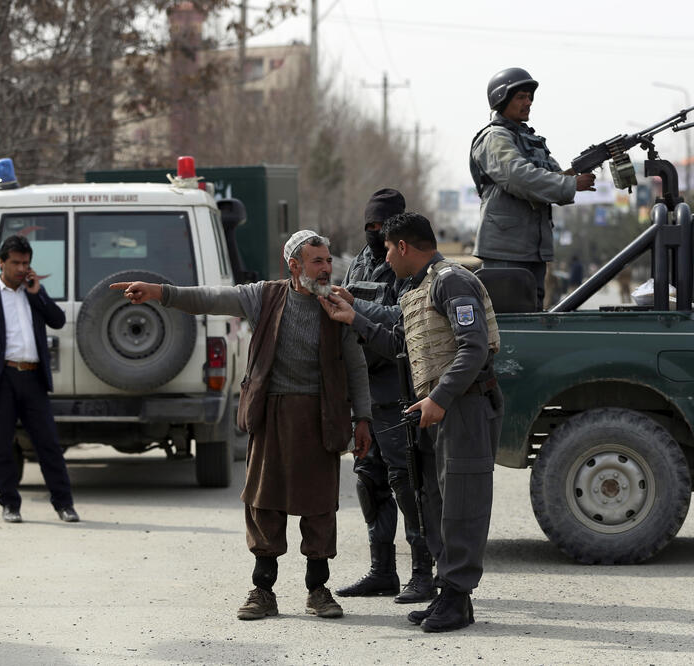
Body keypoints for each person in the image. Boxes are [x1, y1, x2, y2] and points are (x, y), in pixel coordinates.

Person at [110, 230, 373, 621]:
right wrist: (160, 292)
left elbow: (355, 364)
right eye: (317, 261)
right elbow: (210, 298)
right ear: (294, 265)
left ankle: (318, 590)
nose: (326, 268)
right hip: (270, 416)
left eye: (328, 260)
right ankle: (263, 591)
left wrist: (363, 418)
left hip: (322, 417)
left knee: (319, 506)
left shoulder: (336, 304)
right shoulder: (264, 296)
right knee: (262, 502)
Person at [319, 212, 503, 633]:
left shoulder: (450, 281)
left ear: (403, 247)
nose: (385, 255)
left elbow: (473, 349)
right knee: (434, 500)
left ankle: (457, 597)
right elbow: (401, 345)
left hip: (464, 406)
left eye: (387, 247)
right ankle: (448, 593)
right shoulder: (417, 290)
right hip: (439, 409)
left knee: (462, 504)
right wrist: (356, 320)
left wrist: (438, 398)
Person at [334, 189, 436, 604]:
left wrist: (356, 309)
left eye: (382, 227)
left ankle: (422, 573)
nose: (375, 234)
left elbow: (407, 318)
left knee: (407, 481)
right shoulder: (359, 261)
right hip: (364, 390)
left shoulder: (409, 264)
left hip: (397, 386)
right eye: (369, 227)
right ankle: (382, 571)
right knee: (367, 478)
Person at [0, 235, 79, 524]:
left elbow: (58, 321)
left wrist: (38, 293)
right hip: (0, 379)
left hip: (33, 378)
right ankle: (10, 505)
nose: (20, 268)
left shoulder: (33, 292)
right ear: (2, 263)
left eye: (25, 263)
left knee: (48, 444)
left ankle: (64, 504)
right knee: (1, 445)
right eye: (15, 262)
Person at [470, 67, 596, 308]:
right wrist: (569, 183)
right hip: (505, 251)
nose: (528, 103)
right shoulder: (495, 137)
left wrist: (576, 172)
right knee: (511, 324)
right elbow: (517, 177)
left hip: (532, 249)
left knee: (531, 317)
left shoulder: (529, 139)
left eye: (530, 97)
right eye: (521, 97)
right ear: (501, 99)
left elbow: (550, 176)